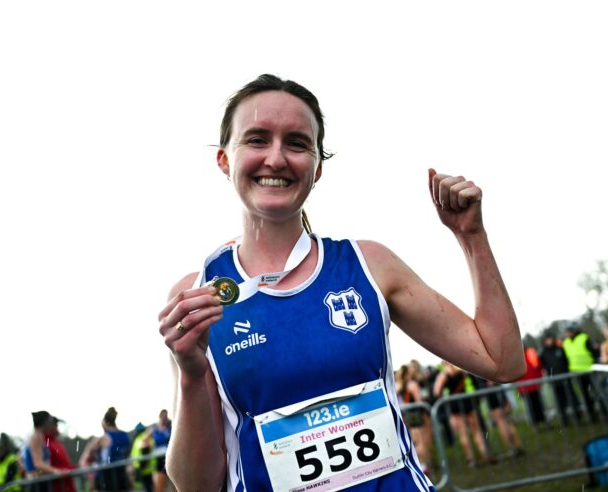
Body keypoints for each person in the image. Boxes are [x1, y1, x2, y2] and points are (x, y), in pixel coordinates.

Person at [157, 74, 525, 491]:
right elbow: (196, 485)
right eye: (257, 139)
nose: (276, 159)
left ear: (316, 168)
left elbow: (502, 360)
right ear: (224, 160)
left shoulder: (369, 265)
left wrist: (472, 238)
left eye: (297, 143)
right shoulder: (199, 297)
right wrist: (189, 374)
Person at [433, 364, 493, 467]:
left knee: (463, 434)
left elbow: (436, 392)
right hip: (469, 402)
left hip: (455, 405)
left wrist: (446, 395)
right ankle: (486, 455)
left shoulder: (444, 375)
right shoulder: (464, 370)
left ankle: (471, 459)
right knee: (477, 431)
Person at [562, 324, 608, 423]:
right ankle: (592, 416)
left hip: (590, 371)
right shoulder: (565, 343)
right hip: (577, 373)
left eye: (569, 331)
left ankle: (606, 413)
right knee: (585, 396)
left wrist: (597, 350)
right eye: (566, 331)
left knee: (598, 392)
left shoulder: (584, 338)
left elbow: (594, 352)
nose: (567, 333)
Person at [80, 407, 132, 492]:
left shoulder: (103, 439)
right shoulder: (125, 436)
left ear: (104, 423)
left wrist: (91, 477)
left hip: (106, 479)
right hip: (122, 477)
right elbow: (127, 457)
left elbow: (83, 460)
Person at [539, 333, 582, 426]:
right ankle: (564, 421)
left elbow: (566, 360)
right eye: (547, 339)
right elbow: (542, 366)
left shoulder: (560, 348)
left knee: (572, 398)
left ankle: (578, 418)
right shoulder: (543, 353)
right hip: (554, 381)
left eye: (550, 338)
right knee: (559, 402)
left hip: (565, 378)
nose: (549, 341)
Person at [23, 411, 67, 492]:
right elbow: (38, 463)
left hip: (36, 481)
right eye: (50, 420)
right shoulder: (37, 436)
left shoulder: (34, 435)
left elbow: (21, 457)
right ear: (45, 422)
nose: (51, 423)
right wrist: (56, 471)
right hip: (37, 484)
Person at [481, 379, 524, 458]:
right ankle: (518, 446)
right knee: (507, 422)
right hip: (499, 392)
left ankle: (513, 448)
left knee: (502, 423)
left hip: (493, 394)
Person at [517, 346, 547, 430]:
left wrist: (540, 380)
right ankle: (536, 425)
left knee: (539, 405)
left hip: (534, 385)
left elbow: (538, 367)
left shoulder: (530, 352)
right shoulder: (517, 356)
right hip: (526, 388)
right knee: (531, 408)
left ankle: (543, 423)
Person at [44, 417, 76, 492]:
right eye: (55, 424)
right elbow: (48, 465)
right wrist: (59, 471)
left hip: (66, 484)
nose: (57, 427)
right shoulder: (45, 443)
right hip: (58, 486)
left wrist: (73, 469)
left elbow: (63, 463)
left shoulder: (56, 442)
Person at [150, 410, 171, 492]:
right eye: (163, 416)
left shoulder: (170, 428)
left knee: (174, 487)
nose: (165, 418)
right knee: (159, 488)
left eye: (166, 416)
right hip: (159, 461)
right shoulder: (154, 431)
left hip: (169, 458)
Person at [130, 424, 155, 492]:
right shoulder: (147, 437)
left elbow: (143, 448)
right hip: (147, 468)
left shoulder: (140, 438)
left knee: (145, 488)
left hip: (142, 468)